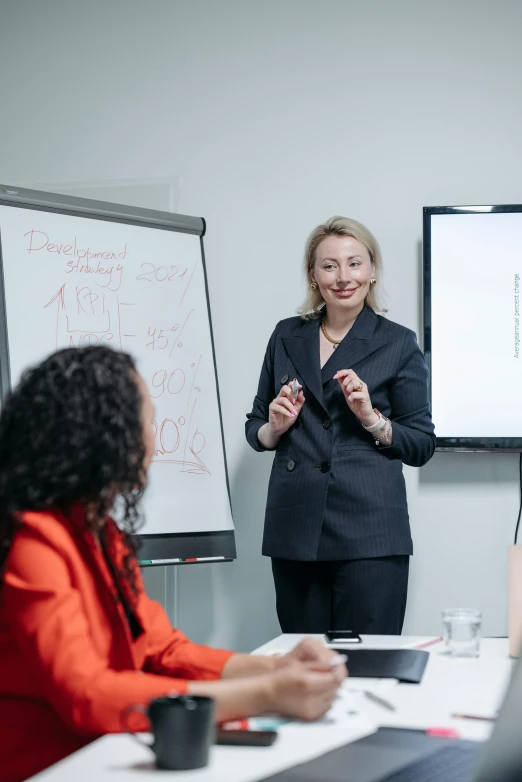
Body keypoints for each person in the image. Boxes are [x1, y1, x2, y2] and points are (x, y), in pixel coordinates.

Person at [0, 346, 346, 782]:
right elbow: (87, 693)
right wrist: (268, 693)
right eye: (145, 419)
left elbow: (165, 651)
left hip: (110, 750)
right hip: (48, 766)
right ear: (104, 436)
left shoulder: (101, 532)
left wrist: (280, 667)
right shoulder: (35, 539)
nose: (153, 435)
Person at [246, 216, 435, 636]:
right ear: (313, 275)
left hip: (370, 530)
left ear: (371, 271)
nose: (343, 277)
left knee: (369, 668)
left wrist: (371, 418)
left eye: (354, 263)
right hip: (296, 526)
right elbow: (257, 425)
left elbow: (421, 444)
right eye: (329, 265)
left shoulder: (398, 342)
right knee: (307, 669)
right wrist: (275, 427)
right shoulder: (286, 335)